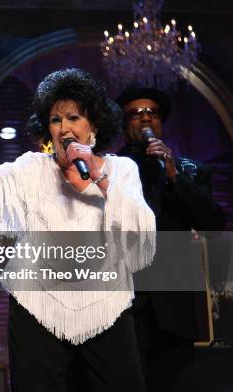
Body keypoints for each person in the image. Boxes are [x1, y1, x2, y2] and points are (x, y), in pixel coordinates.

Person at [0, 68, 156, 392]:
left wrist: (97, 173)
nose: (65, 128)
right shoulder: (33, 168)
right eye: (56, 120)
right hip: (38, 306)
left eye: (74, 118)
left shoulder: (121, 169)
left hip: (105, 306)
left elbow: (140, 227)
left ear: (94, 125)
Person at [116, 84, 226, 391]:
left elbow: (213, 223)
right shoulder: (110, 171)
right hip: (123, 303)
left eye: (152, 113)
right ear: (124, 125)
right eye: (136, 114)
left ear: (161, 123)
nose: (146, 118)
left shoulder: (190, 171)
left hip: (173, 307)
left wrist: (174, 174)